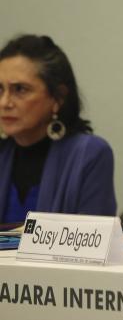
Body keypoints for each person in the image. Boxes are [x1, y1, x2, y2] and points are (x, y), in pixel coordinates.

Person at [0, 34, 116, 223]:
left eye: (20, 89)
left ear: (58, 98)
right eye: (0, 90)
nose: (5, 102)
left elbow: (94, 238)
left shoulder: (89, 155)